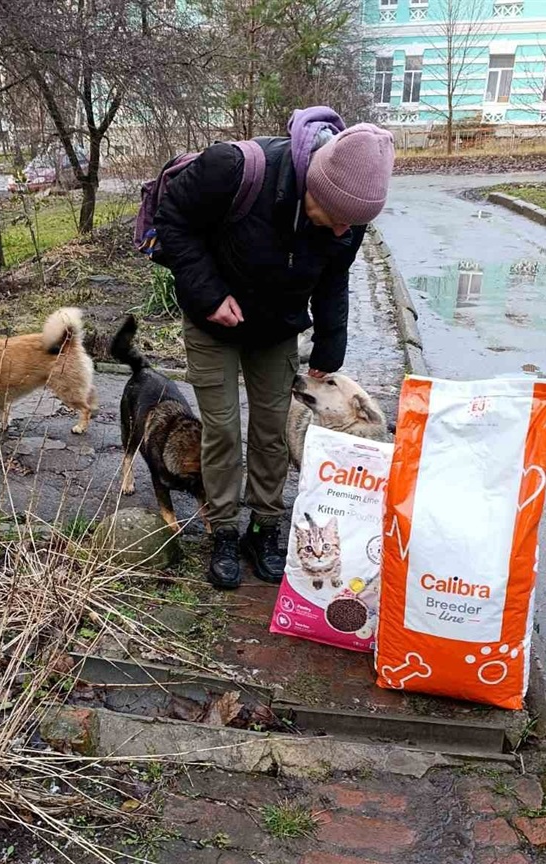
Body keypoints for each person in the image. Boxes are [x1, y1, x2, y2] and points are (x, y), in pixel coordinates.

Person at [154, 108, 394, 589]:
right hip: (213, 320)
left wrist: (330, 347)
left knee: (270, 434)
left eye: (355, 225)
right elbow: (172, 220)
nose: (345, 232)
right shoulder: (235, 169)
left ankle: (263, 528)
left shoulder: (351, 213)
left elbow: (334, 276)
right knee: (221, 429)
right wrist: (207, 295)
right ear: (316, 187)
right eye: (338, 219)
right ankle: (223, 530)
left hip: (276, 326)